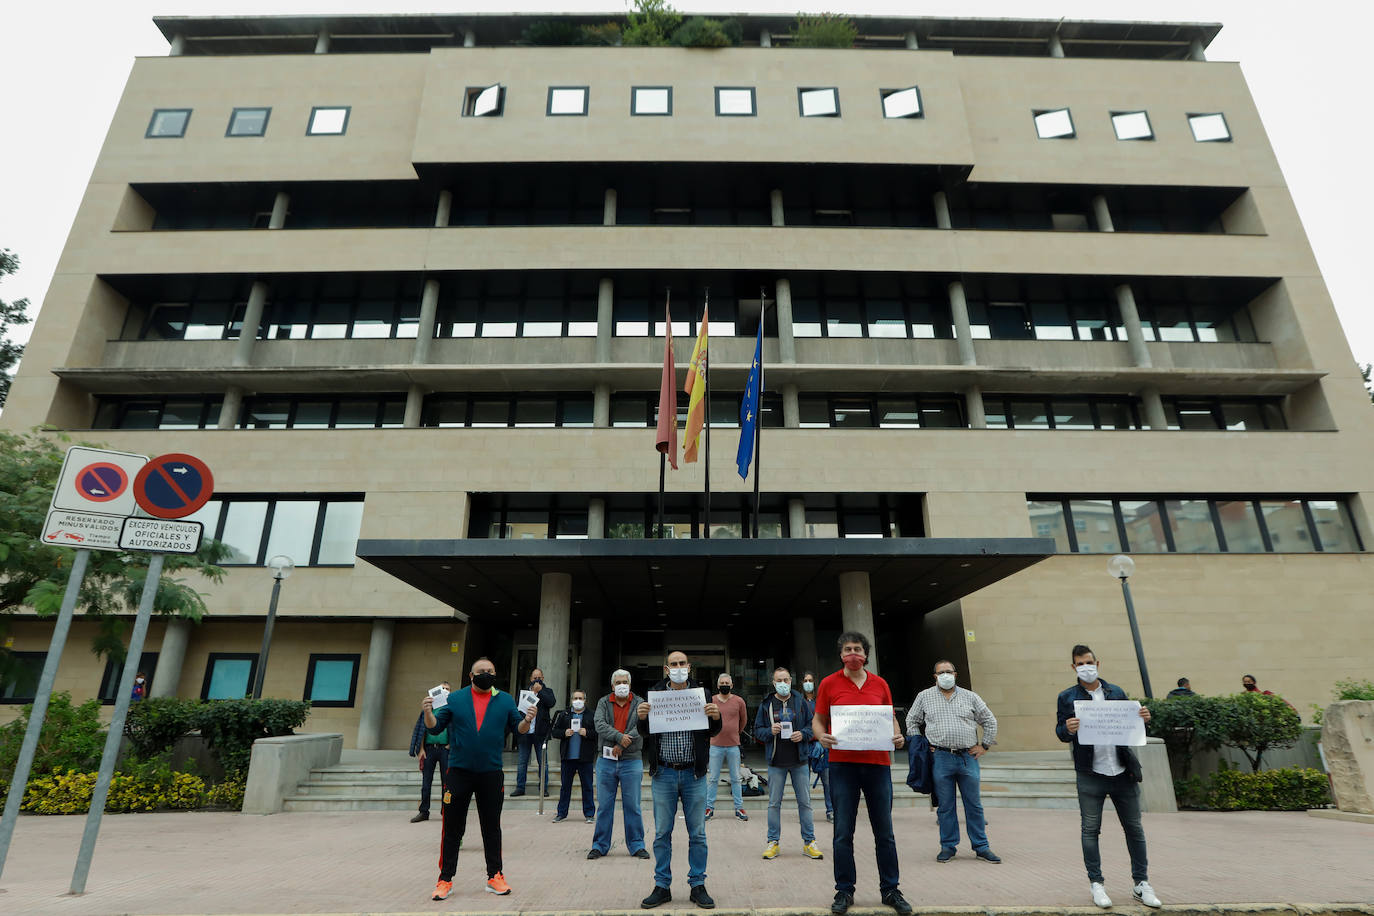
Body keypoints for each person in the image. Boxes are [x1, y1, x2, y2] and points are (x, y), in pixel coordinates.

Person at [812, 632, 911, 916]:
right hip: (842, 765)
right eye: (847, 649)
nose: (852, 653)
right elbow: (818, 720)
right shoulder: (829, 683)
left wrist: (897, 735)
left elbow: (889, 715)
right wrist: (821, 736)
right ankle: (844, 889)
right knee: (843, 831)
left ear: (866, 654)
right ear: (841, 654)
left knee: (885, 831)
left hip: (878, 764)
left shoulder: (880, 684)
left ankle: (890, 889)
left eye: (857, 648)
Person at [1056, 644, 1161, 910]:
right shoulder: (1067, 697)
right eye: (1080, 664)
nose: (1086, 667)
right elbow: (1060, 731)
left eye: (1089, 662)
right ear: (1073, 667)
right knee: (1090, 830)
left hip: (1122, 772)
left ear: (1098, 663)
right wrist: (1067, 728)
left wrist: (1144, 719)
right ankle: (1097, 884)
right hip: (1091, 773)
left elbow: (1129, 726)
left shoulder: (1117, 692)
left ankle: (1141, 883)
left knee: (1134, 829)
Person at [423, 657, 536, 901]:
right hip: (459, 772)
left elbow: (519, 729)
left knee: (491, 827)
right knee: (452, 828)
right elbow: (434, 728)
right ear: (471, 677)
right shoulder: (455, 699)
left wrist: (527, 720)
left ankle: (495, 875)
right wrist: (428, 713)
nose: (487, 674)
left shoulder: (505, 700)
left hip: (491, 773)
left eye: (491, 671)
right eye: (481, 671)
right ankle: (445, 879)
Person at [636, 650, 723, 910]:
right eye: (673, 664)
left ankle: (698, 885)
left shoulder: (702, 693)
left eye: (682, 663)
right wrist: (642, 719)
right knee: (662, 833)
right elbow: (646, 732)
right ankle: (662, 886)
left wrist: (716, 718)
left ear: (689, 666)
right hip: (663, 773)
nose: (678, 667)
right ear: (665, 668)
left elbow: (712, 730)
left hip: (694, 774)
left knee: (697, 833)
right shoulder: (655, 694)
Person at [905, 660, 1001, 864]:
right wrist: (921, 744)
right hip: (940, 757)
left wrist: (984, 745)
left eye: (949, 671)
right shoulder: (924, 697)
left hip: (968, 757)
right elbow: (911, 721)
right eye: (941, 672)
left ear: (955, 674)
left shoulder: (970, 696)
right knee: (946, 806)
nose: (945, 675)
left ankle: (981, 846)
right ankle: (948, 846)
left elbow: (990, 720)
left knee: (974, 805)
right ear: (935, 676)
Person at [754, 666, 822, 861]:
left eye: (786, 680)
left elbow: (812, 726)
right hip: (776, 761)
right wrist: (769, 731)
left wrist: (803, 735)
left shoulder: (800, 701)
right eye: (779, 680)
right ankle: (773, 842)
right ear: (773, 683)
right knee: (774, 803)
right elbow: (757, 729)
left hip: (799, 760)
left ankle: (809, 842)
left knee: (805, 803)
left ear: (791, 681)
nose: (782, 684)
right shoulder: (766, 704)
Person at [589, 669, 649, 860]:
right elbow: (599, 724)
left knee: (633, 806)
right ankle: (599, 846)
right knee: (605, 806)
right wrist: (618, 738)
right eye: (618, 682)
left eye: (625, 681)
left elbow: (642, 726)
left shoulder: (640, 702)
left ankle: (637, 845)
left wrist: (624, 742)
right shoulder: (603, 702)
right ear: (613, 685)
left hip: (632, 761)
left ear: (630, 685)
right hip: (606, 761)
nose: (622, 685)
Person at [706, 671, 749, 822]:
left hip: (733, 745)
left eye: (727, 684)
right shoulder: (711, 701)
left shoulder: (739, 701)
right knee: (712, 778)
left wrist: (736, 732)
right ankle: (709, 808)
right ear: (718, 685)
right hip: (715, 745)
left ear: (732, 685)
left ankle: (739, 808)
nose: (724, 686)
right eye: (722, 684)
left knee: (736, 778)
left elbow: (744, 720)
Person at [551, 688, 597, 824]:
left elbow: (598, 733)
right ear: (571, 700)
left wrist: (587, 732)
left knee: (587, 786)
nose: (578, 701)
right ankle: (561, 813)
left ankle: (589, 814)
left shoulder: (592, 715)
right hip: (568, 757)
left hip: (585, 758)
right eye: (575, 698)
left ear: (585, 700)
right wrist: (564, 733)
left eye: (580, 698)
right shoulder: (564, 714)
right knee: (565, 786)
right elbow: (554, 731)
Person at [408, 679, 451, 823]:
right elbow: (421, 729)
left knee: (447, 783)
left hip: (445, 749)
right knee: (426, 783)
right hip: (429, 750)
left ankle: (446, 811)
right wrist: (420, 749)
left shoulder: (451, 709)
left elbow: (457, 728)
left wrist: (451, 744)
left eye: (447, 689)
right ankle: (423, 811)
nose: (445, 691)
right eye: (442, 688)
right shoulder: (428, 708)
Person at [512, 666, 556, 797]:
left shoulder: (547, 691)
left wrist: (540, 691)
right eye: (534, 678)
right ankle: (520, 787)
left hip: (540, 733)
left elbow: (551, 703)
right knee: (522, 762)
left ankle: (543, 788)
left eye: (539, 678)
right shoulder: (523, 693)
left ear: (543, 679)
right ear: (530, 679)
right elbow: (517, 710)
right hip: (525, 732)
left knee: (543, 763)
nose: (537, 680)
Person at [801, 671, 834, 823]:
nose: (808, 682)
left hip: (822, 745)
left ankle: (831, 810)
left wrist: (823, 739)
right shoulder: (799, 701)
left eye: (810, 680)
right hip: (804, 745)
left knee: (827, 780)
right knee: (803, 781)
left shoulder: (822, 700)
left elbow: (827, 721)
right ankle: (805, 813)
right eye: (805, 680)